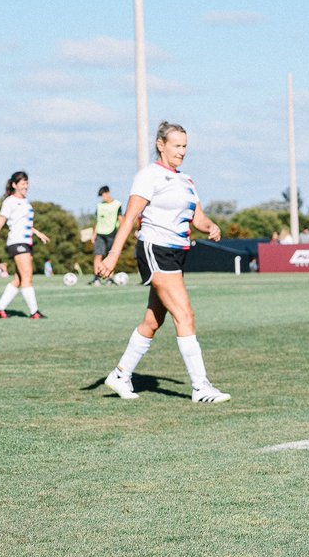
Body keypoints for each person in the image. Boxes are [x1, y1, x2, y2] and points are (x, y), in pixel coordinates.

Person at [97, 121, 231, 403]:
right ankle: (201, 387)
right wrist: (112, 255)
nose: (182, 151)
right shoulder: (149, 176)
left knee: (153, 320)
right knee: (185, 314)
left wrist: (211, 227)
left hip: (178, 253)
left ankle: (121, 375)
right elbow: (129, 218)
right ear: (161, 144)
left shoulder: (187, 181)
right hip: (155, 250)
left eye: (185, 146)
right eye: (177, 145)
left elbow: (198, 217)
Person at [0, 171, 50, 318]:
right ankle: (34, 312)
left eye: (27, 183)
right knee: (28, 277)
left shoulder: (26, 201)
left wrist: (37, 233)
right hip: (17, 242)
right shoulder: (9, 202)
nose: (26, 186)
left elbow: (22, 223)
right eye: (22, 183)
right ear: (14, 185)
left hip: (26, 242)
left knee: (19, 279)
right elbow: (0, 222)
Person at [90, 185, 123, 286]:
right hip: (100, 233)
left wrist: (121, 234)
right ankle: (96, 278)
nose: (102, 197)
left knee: (111, 255)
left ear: (108, 193)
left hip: (112, 233)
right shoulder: (99, 205)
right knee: (98, 255)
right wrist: (93, 234)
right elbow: (97, 220)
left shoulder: (117, 204)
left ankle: (110, 278)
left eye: (103, 195)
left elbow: (121, 219)